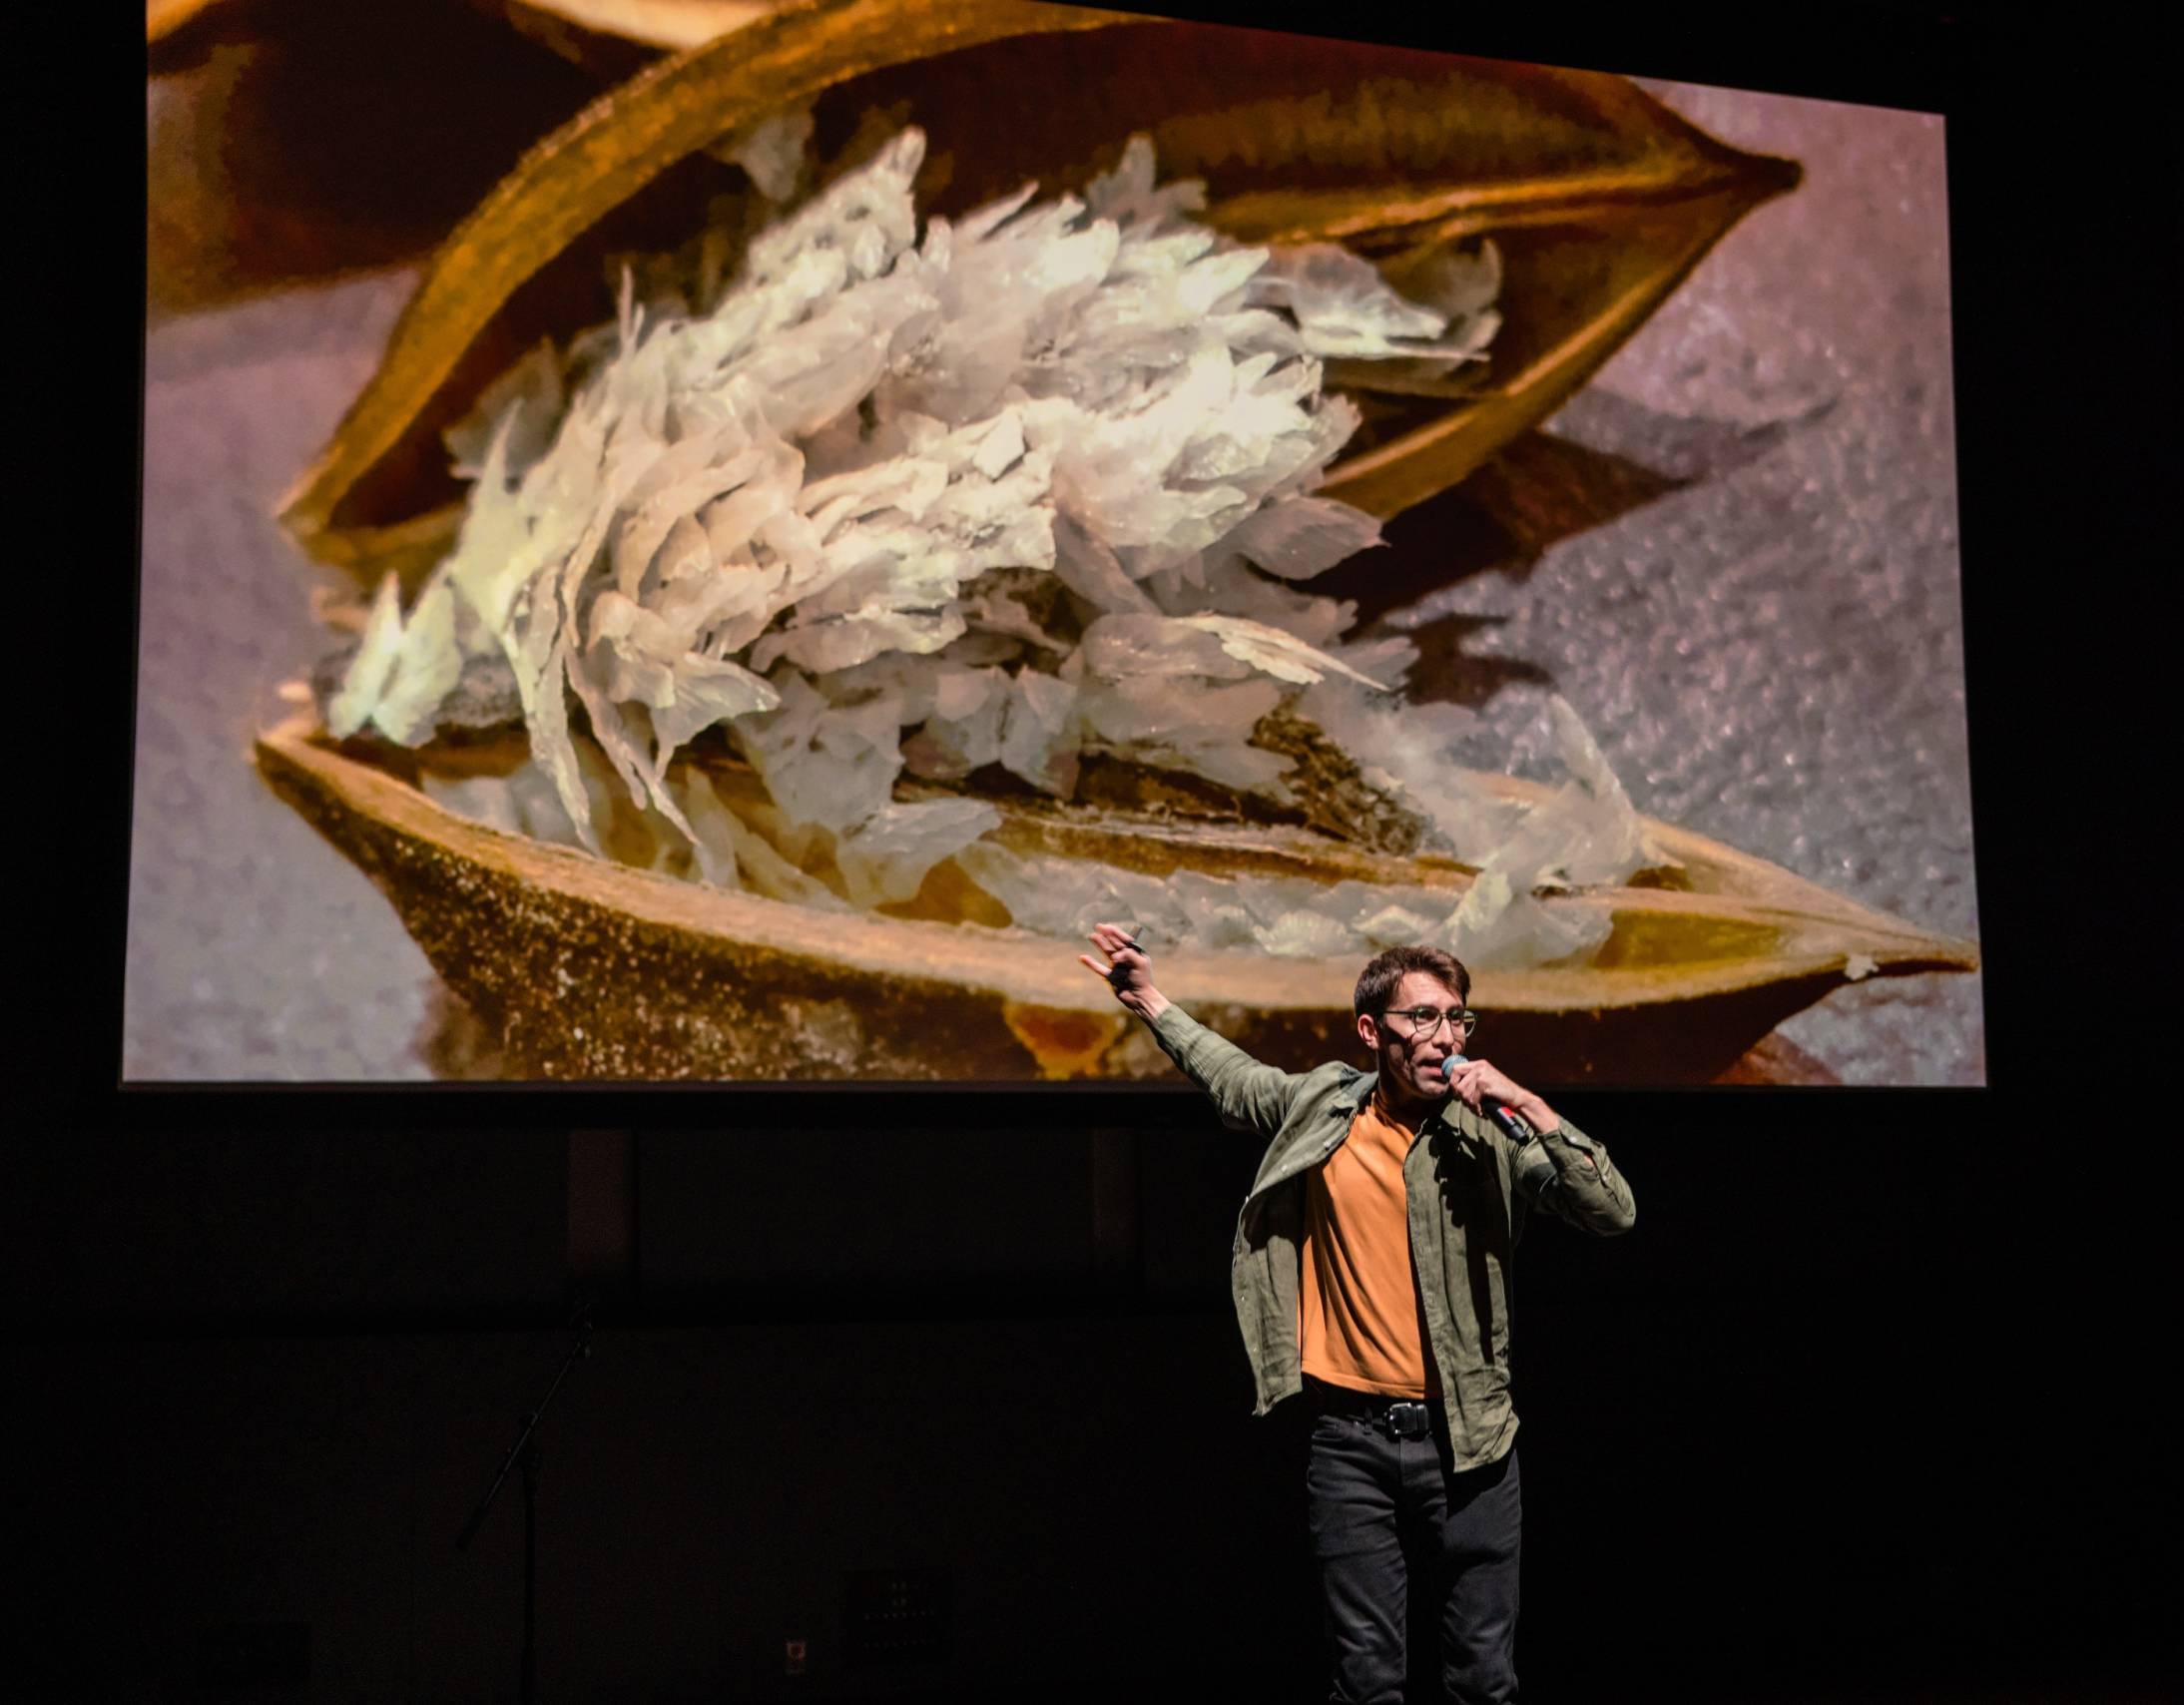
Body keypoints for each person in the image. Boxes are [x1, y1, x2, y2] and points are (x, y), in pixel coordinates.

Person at [1079, 924, 1636, 1704]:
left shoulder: (1491, 1131)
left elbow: (1611, 1212)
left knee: (1483, 1681)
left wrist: (1529, 1105)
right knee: (1366, 1683)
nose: (1444, 1036)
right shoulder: (1323, 1106)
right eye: (1422, 1019)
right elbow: (1235, 1079)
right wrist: (1147, 999)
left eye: (1456, 1018)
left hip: (1472, 1445)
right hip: (1352, 1443)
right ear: (1372, 1031)